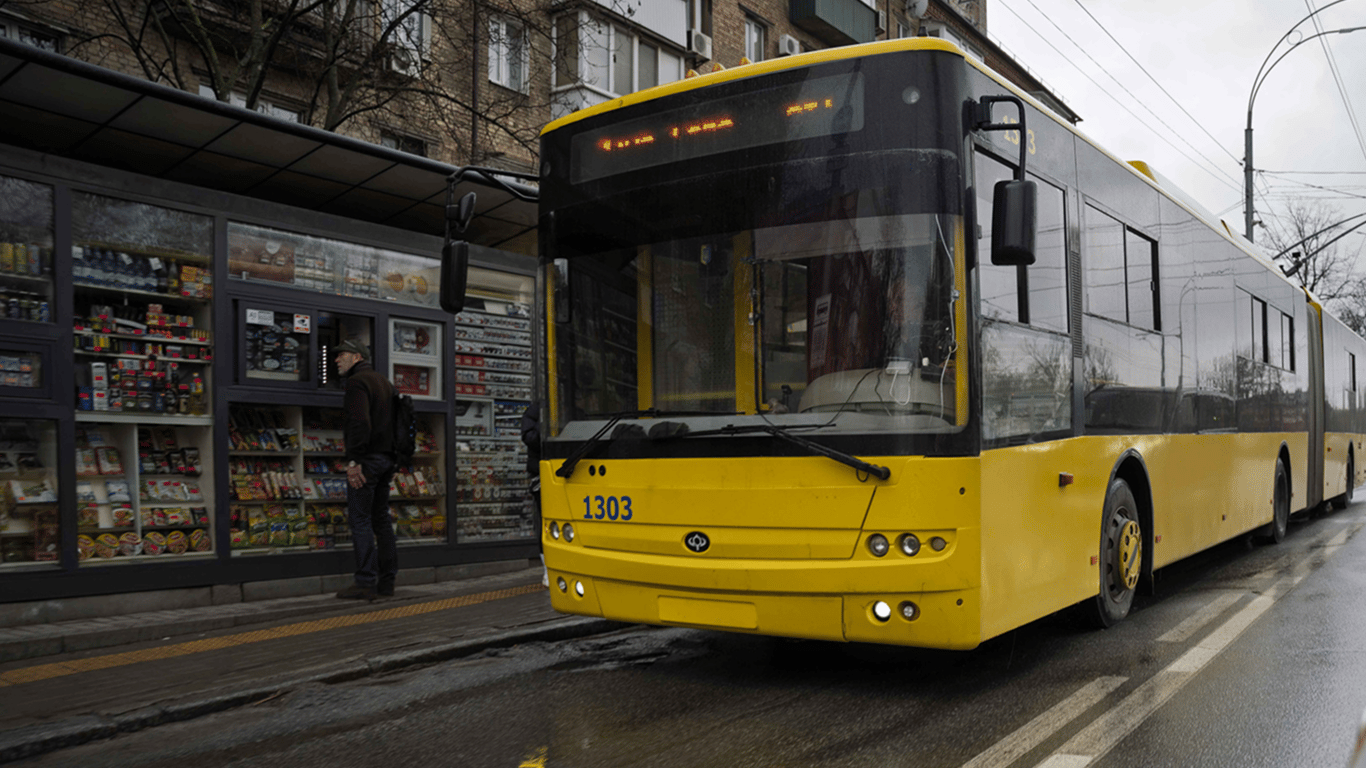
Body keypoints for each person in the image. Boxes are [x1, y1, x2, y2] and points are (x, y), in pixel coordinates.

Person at [333, 340, 398, 600]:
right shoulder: (386, 383)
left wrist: (354, 461)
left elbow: (359, 422)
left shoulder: (357, 383)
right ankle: (387, 582)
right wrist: (395, 460)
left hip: (367, 461)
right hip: (386, 460)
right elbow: (400, 424)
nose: (337, 359)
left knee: (360, 520)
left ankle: (364, 581)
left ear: (357, 357)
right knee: (381, 520)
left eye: (342, 355)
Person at [520, 399, 547, 587]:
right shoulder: (535, 410)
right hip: (542, 473)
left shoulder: (572, 406)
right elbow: (529, 437)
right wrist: (546, 428)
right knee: (546, 520)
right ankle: (547, 568)